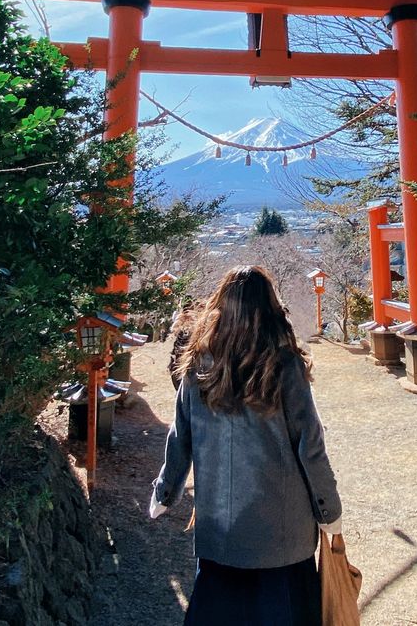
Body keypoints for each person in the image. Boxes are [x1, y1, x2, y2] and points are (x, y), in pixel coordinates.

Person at [150, 265, 342, 626]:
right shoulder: (285, 366)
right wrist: (329, 511)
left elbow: (180, 439)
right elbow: (310, 446)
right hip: (283, 532)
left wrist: (164, 494)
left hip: (220, 530)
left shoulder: (197, 368)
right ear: (272, 308)